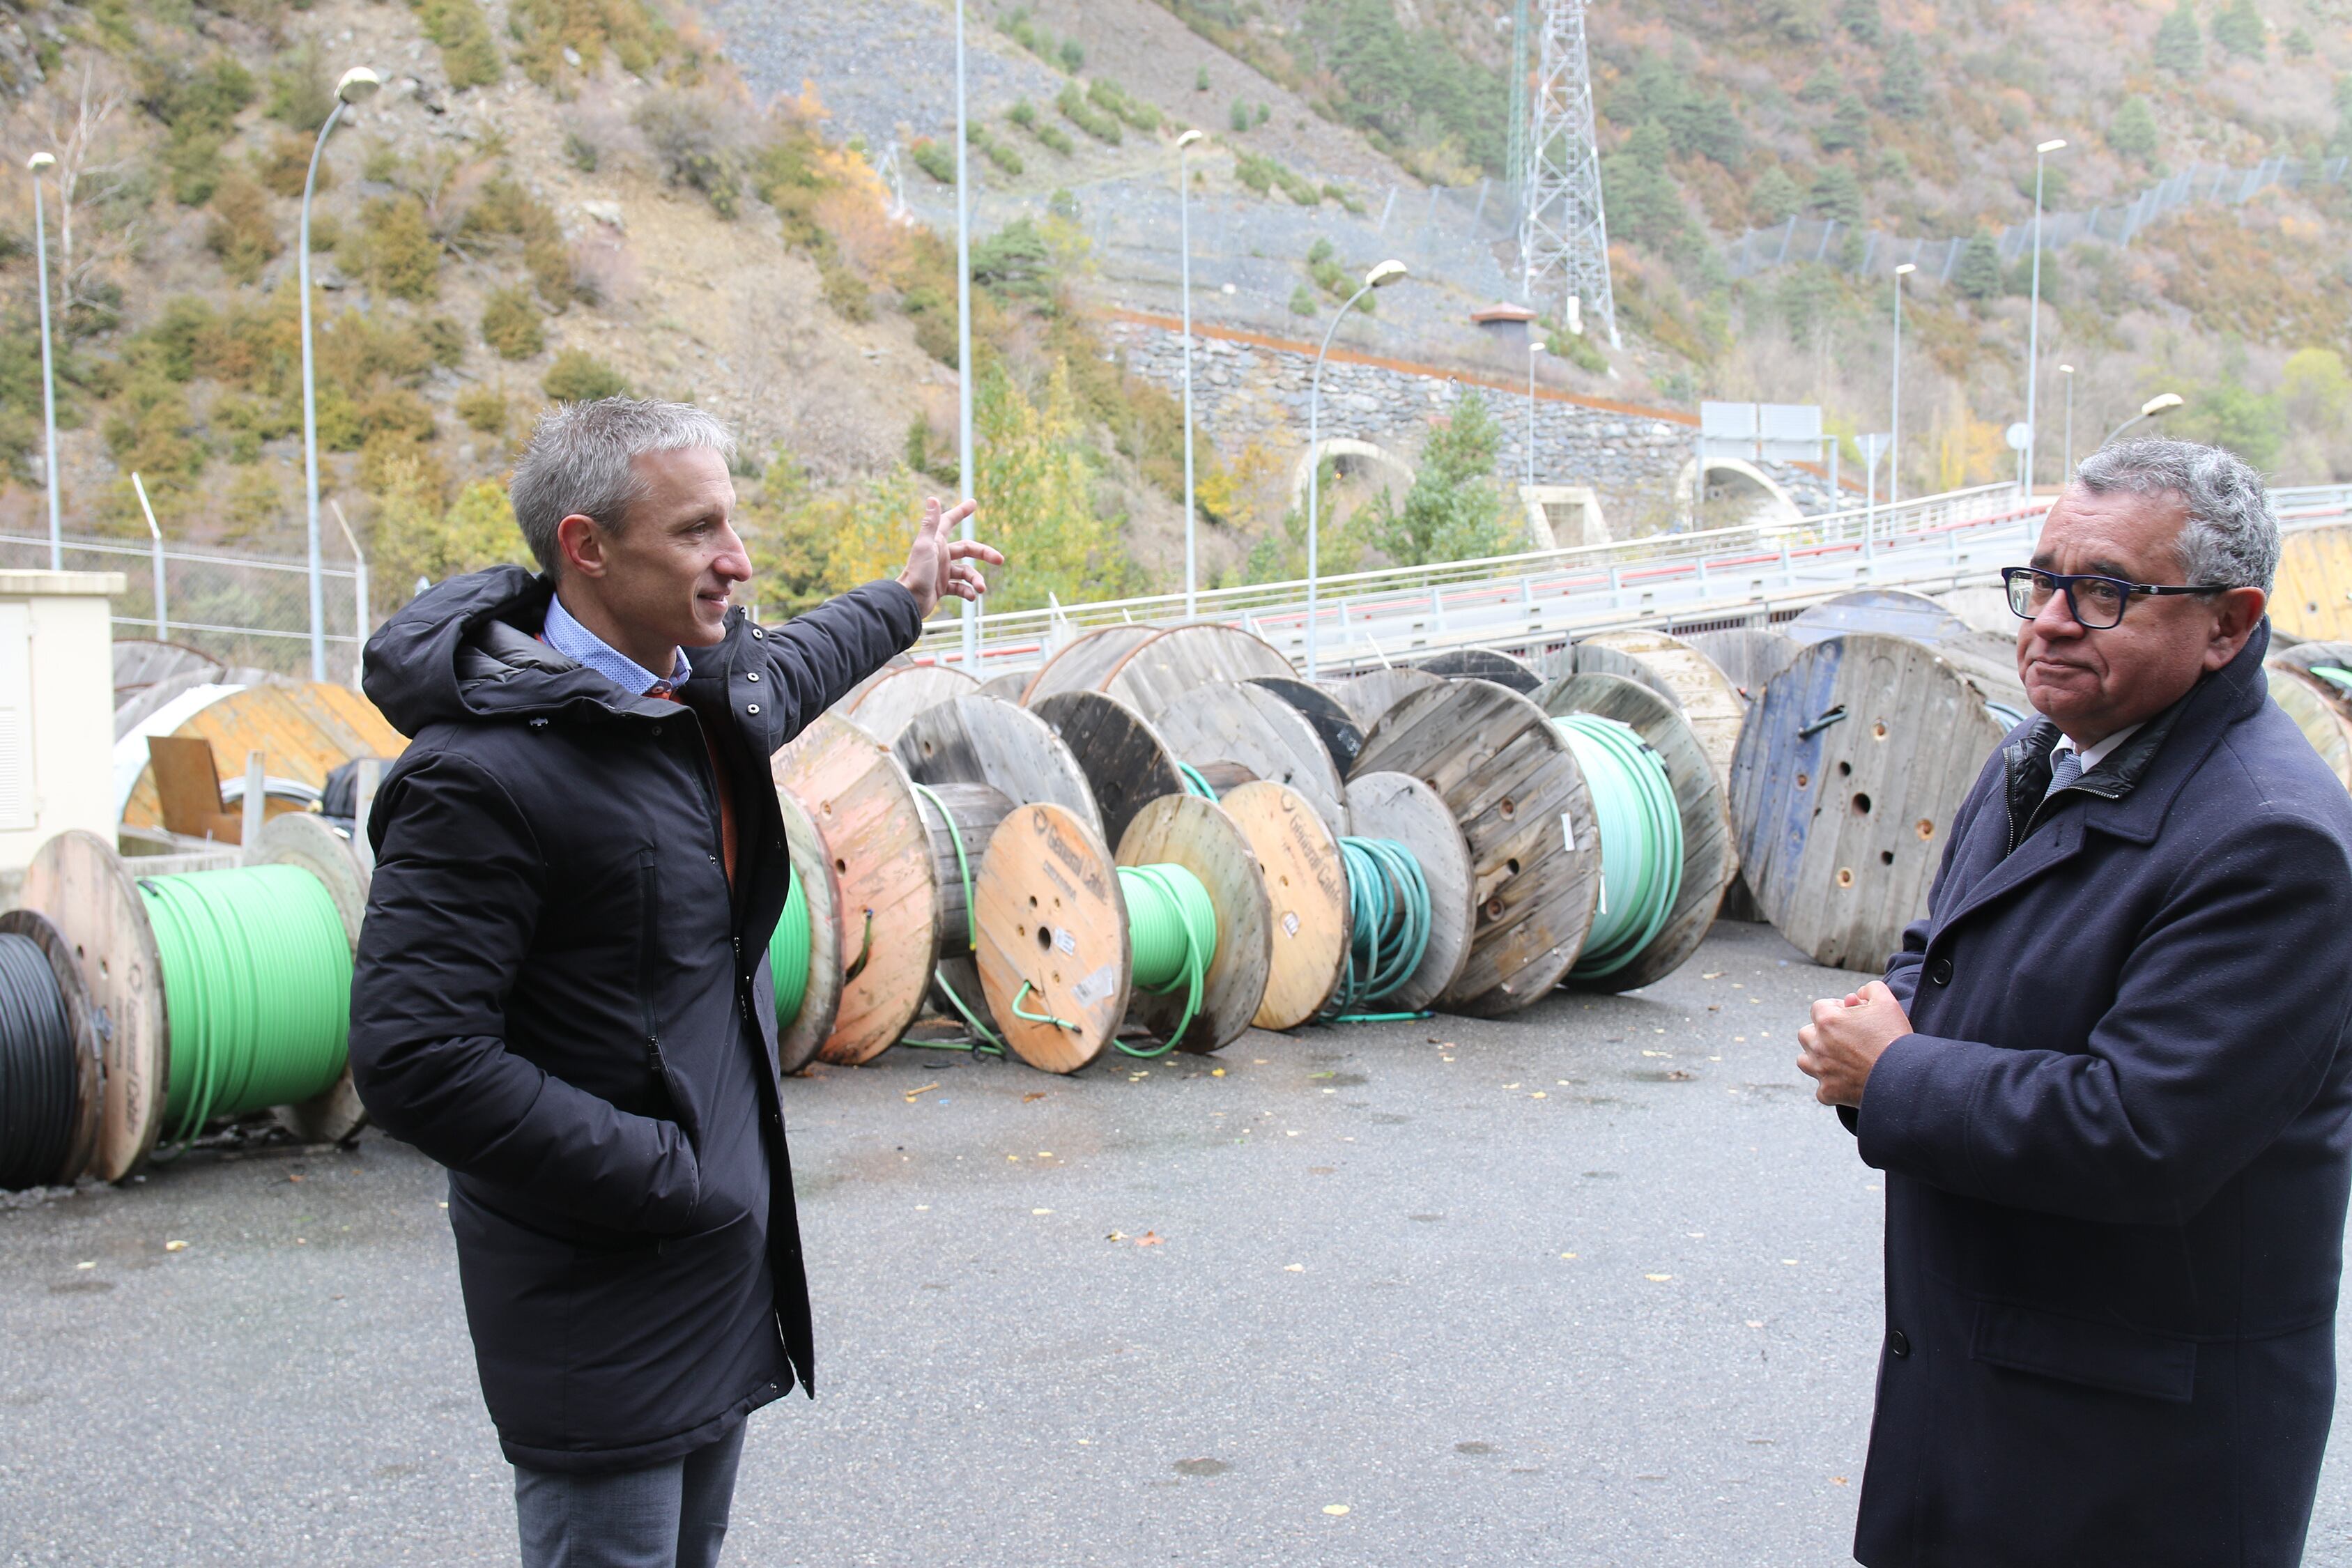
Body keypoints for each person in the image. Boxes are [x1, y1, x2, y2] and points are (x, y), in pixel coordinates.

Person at [348, 397, 1001, 1568]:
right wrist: (669, 1172)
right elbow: (415, 1059)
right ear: (587, 547)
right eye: (697, 531)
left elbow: (792, 664)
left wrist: (906, 598)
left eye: (731, 524)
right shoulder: (480, 775)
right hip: (599, 1291)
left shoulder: (693, 690)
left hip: (709, 1267)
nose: (736, 561)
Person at [1797, 437, 2352, 1567]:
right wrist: (1888, 1027)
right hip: (1986, 1398)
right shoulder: (2047, 750)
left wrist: (1893, 1073)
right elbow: (1938, 953)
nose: (2050, 618)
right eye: (2042, 578)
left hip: (2134, 1464)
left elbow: (2144, 1131)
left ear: (2230, 626)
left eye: (2105, 592)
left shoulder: (2269, 839)